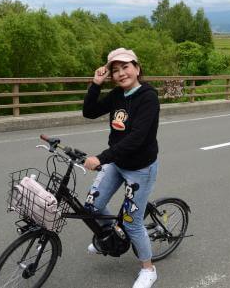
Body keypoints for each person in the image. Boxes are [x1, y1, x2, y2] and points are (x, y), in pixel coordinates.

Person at [82, 48, 160, 288]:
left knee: (131, 222)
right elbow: (89, 112)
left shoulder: (148, 97)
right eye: (115, 70)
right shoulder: (117, 94)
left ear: (137, 68)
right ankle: (113, 236)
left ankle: (148, 269)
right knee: (92, 206)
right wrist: (96, 84)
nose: (121, 73)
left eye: (125, 67)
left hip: (140, 168)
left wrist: (102, 157)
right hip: (117, 161)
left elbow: (136, 138)